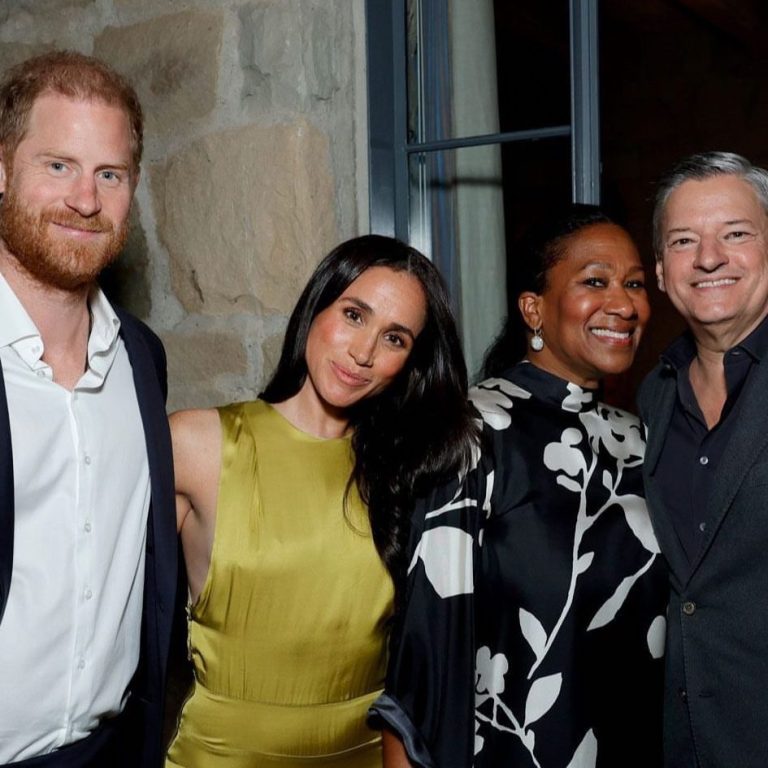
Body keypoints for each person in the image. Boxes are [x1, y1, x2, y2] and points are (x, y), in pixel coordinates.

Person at [165, 234, 478, 767]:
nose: (363, 353)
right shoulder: (197, 443)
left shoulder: (412, 474)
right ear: (316, 307)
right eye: (354, 315)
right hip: (220, 755)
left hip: (360, 755)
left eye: (395, 338)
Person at [373, 204, 668, 767]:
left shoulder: (641, 441)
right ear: (534, 308)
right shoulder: (472, 434)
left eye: (634, 283)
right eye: (595, 282)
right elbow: (423, 662)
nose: (624, 303)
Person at [0, 52, 176, 766]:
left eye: (110, 174)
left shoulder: (142, 359)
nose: (85, 199)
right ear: (2, 170)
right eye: (58, 166)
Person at [638, 151, 768, 768]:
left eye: (735, 234)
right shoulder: (656, 393)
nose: (709, 258)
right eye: (684, 240)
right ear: (662, 271)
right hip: (685, 741)